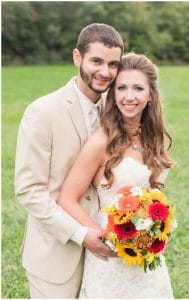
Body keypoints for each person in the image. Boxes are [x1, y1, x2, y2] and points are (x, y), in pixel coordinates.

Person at [14, 23, 124, 298]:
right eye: (96, 61)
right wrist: (79, 233)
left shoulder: (117, 110)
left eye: (113, 64)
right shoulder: (43, 111)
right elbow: (29, 190)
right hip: (56, 255)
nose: (105, 72)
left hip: (105, 258)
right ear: (77, 57)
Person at [57, 52, 176, 298]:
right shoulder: (101, 141)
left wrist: (156, 225)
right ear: (113, 94)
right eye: (121, 88)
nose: (129, 97)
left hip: (147, 255)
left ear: (151, 94)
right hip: (109, 258)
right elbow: (67, 197)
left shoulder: (153, 140)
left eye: (138, 88)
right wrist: (105, 238)